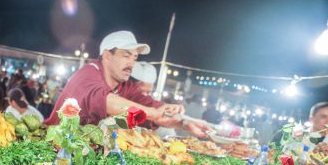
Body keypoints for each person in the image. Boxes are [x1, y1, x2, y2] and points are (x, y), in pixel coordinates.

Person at [44, 31, 208, 137]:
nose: (131, 63)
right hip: (54, 150)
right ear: (107, 56)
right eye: (126, 55)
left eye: (135, 58)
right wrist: (152, 113)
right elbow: (103, 100)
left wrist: (183, 122)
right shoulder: (89, 72)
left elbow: (150, 106)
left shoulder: (125, 86)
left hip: (87, 156)